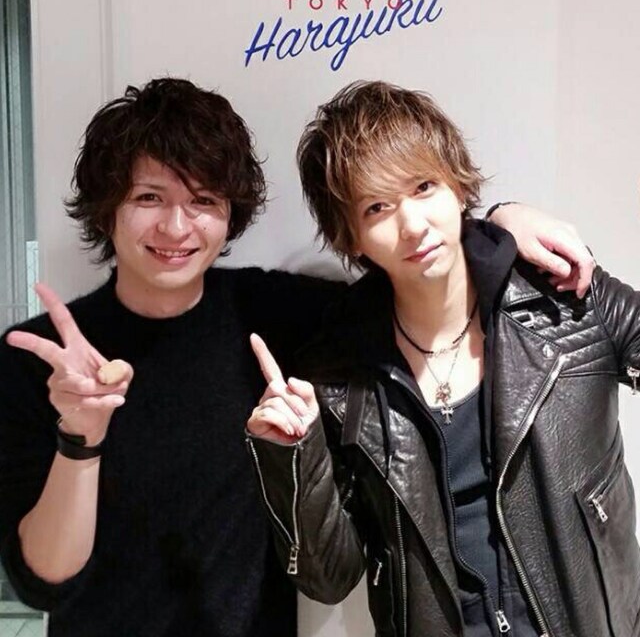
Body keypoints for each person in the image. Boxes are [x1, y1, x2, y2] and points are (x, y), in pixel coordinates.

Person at [0, 77, 591, 637]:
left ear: (230, 212)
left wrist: (499, 224)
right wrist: (81, 437)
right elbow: (42, 583)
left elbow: (417, 272)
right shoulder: (43, 361)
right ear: (107, 207)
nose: (176, 227)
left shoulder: (278, 315)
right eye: (149, 197)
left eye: (203, 199)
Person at [246, 80, 640, 637]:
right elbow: (329, 579)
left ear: (457, 185)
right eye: (378, 207)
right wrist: (293, 455)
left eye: (424, 187)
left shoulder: (567, 301)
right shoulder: (338, 377)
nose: (412, 225)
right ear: (351, 236)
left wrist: (505, 215)